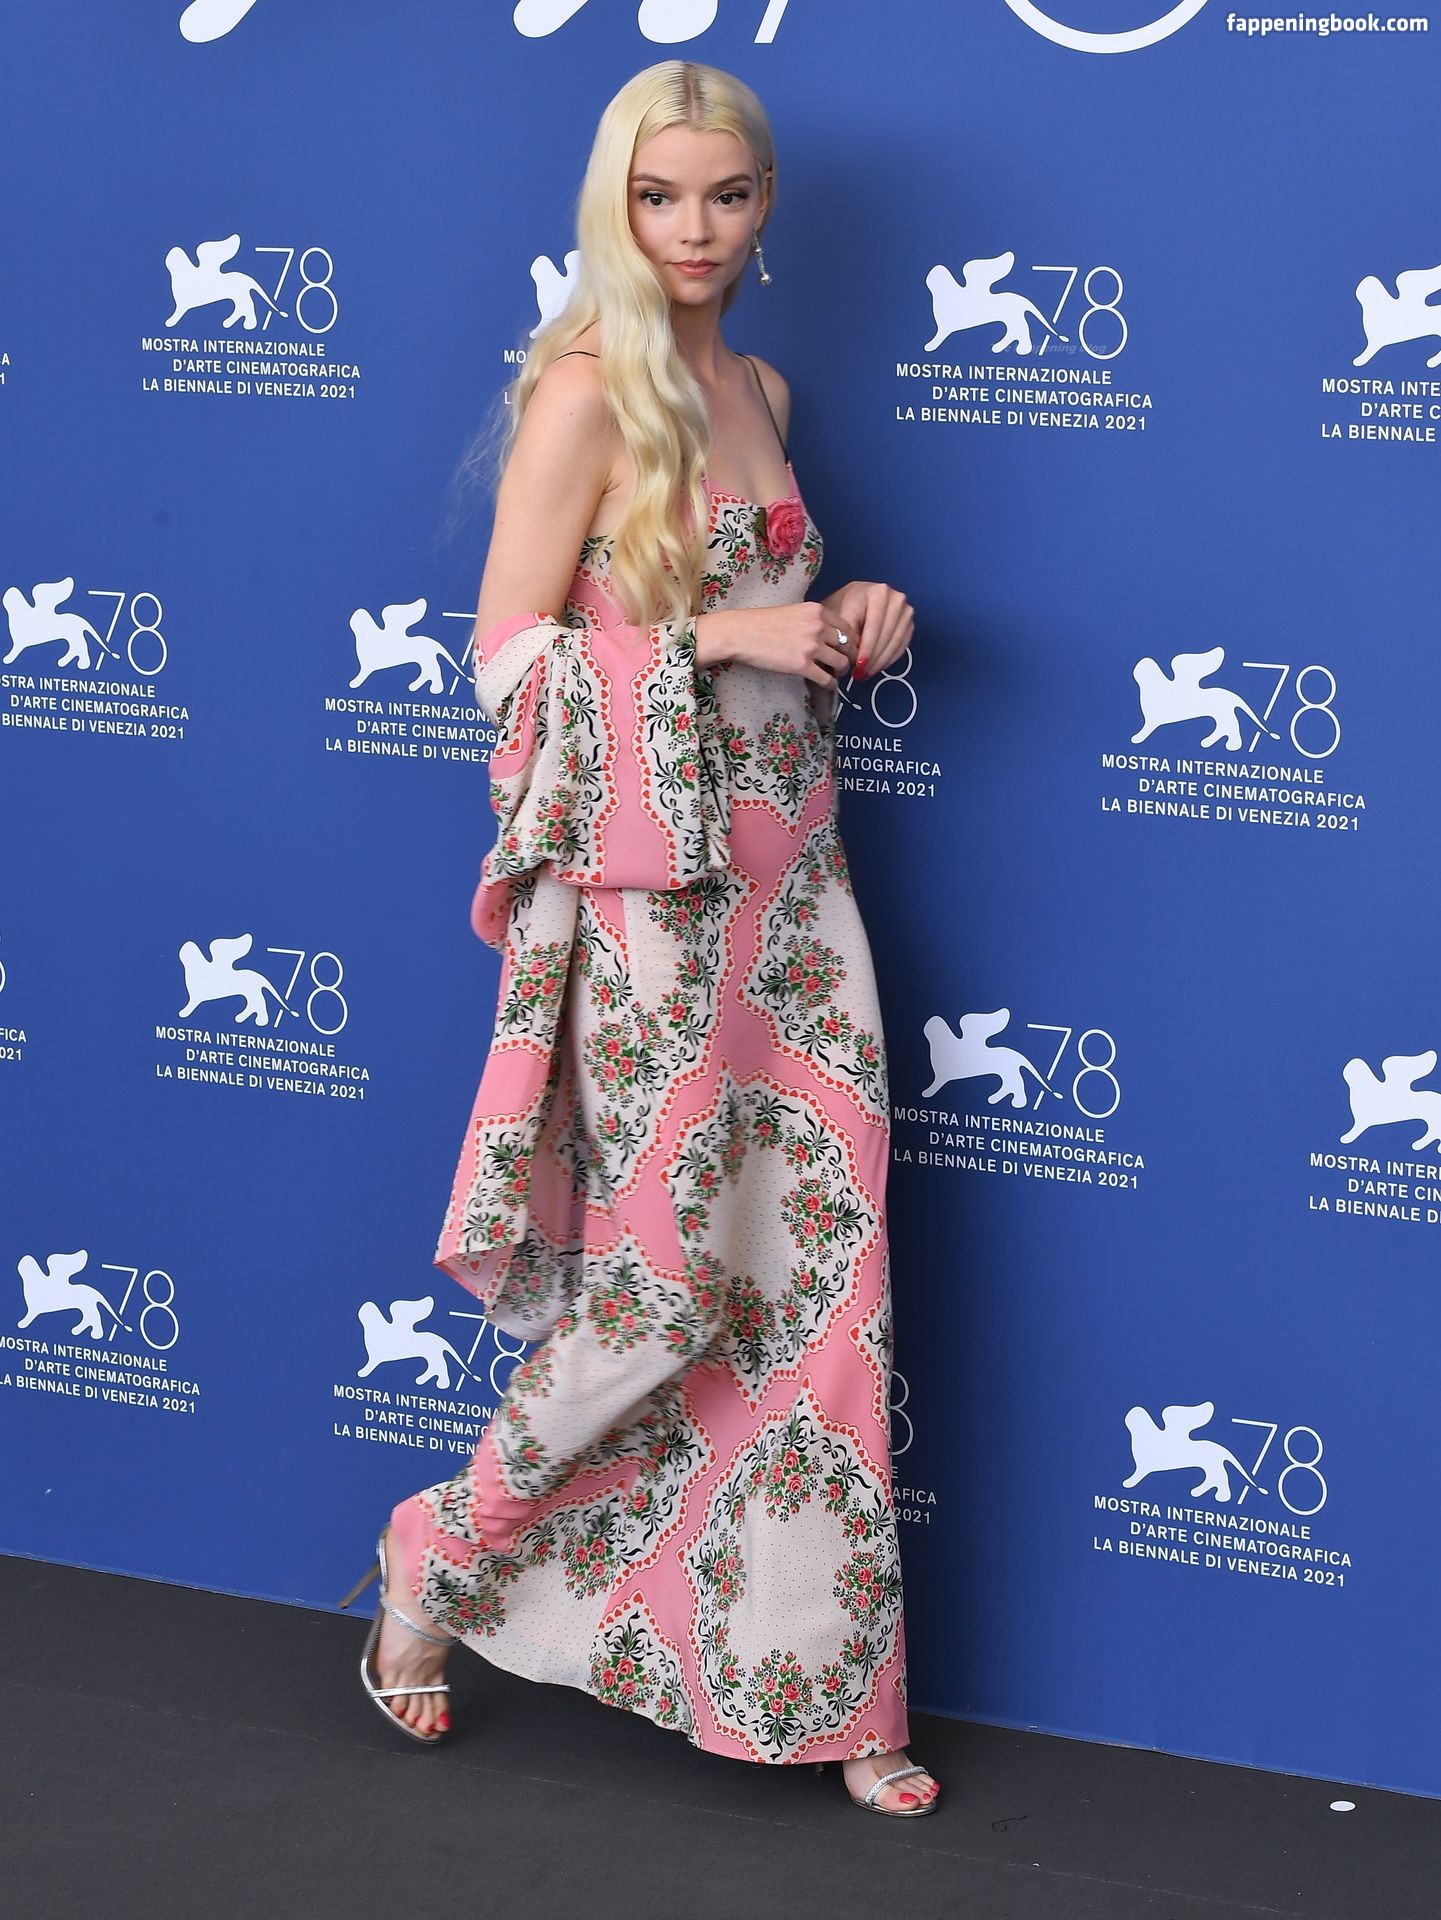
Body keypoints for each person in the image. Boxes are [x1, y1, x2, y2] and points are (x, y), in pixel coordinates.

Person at [339, 58, 937, 1818]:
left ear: (764, 206)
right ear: (615, 204)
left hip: (798, 896)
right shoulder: (586, 395)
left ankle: (830, 1691)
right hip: (652, 912)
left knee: (821, 1289)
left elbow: (772, 625)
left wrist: (848, 615)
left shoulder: (757, 386)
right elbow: (506, 662)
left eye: (724, 197)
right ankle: (439, 1545)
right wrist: (726, 637)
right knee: (665, 1291)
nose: (694, 230)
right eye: (659, 197)